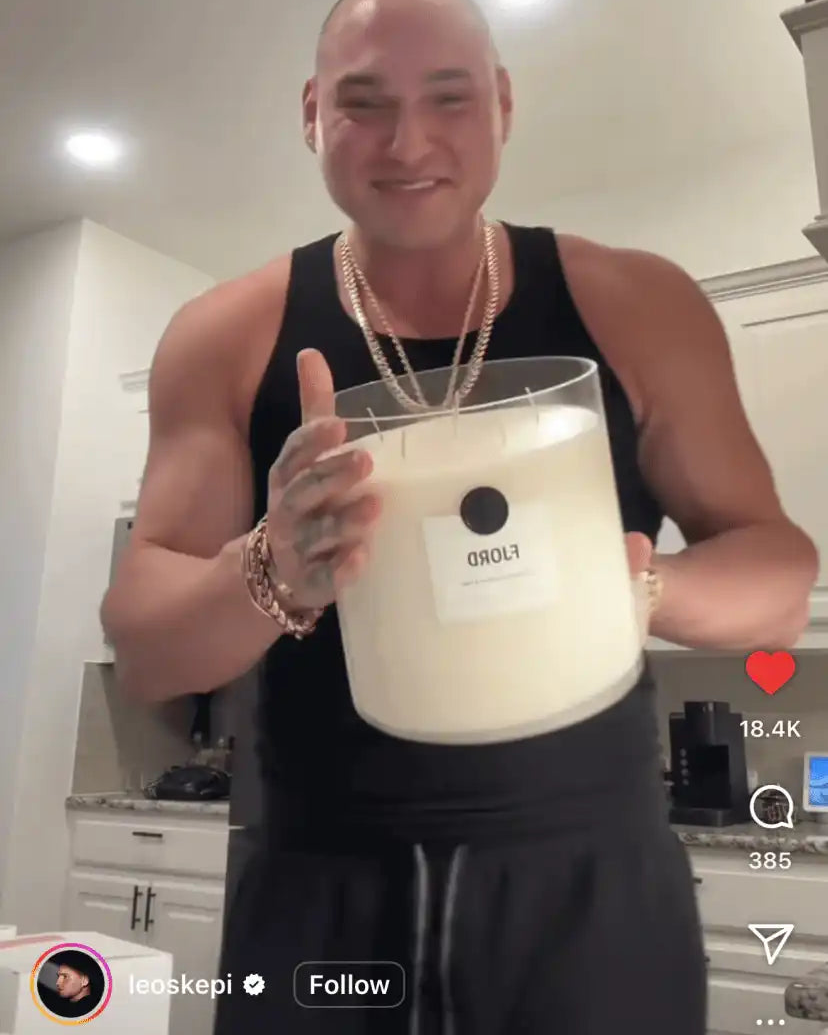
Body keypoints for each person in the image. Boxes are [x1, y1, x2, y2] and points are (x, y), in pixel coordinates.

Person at [100, 0, 818, 1031]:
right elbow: (149, 650)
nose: (409, 142)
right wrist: (268, 569)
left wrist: (639, 589)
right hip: (318, 881)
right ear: (313, 112)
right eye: (364, 104)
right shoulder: (227, 336)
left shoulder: (635, 304)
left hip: (589, 880)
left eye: (449, 98)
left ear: (503, 106)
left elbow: (778, 578)